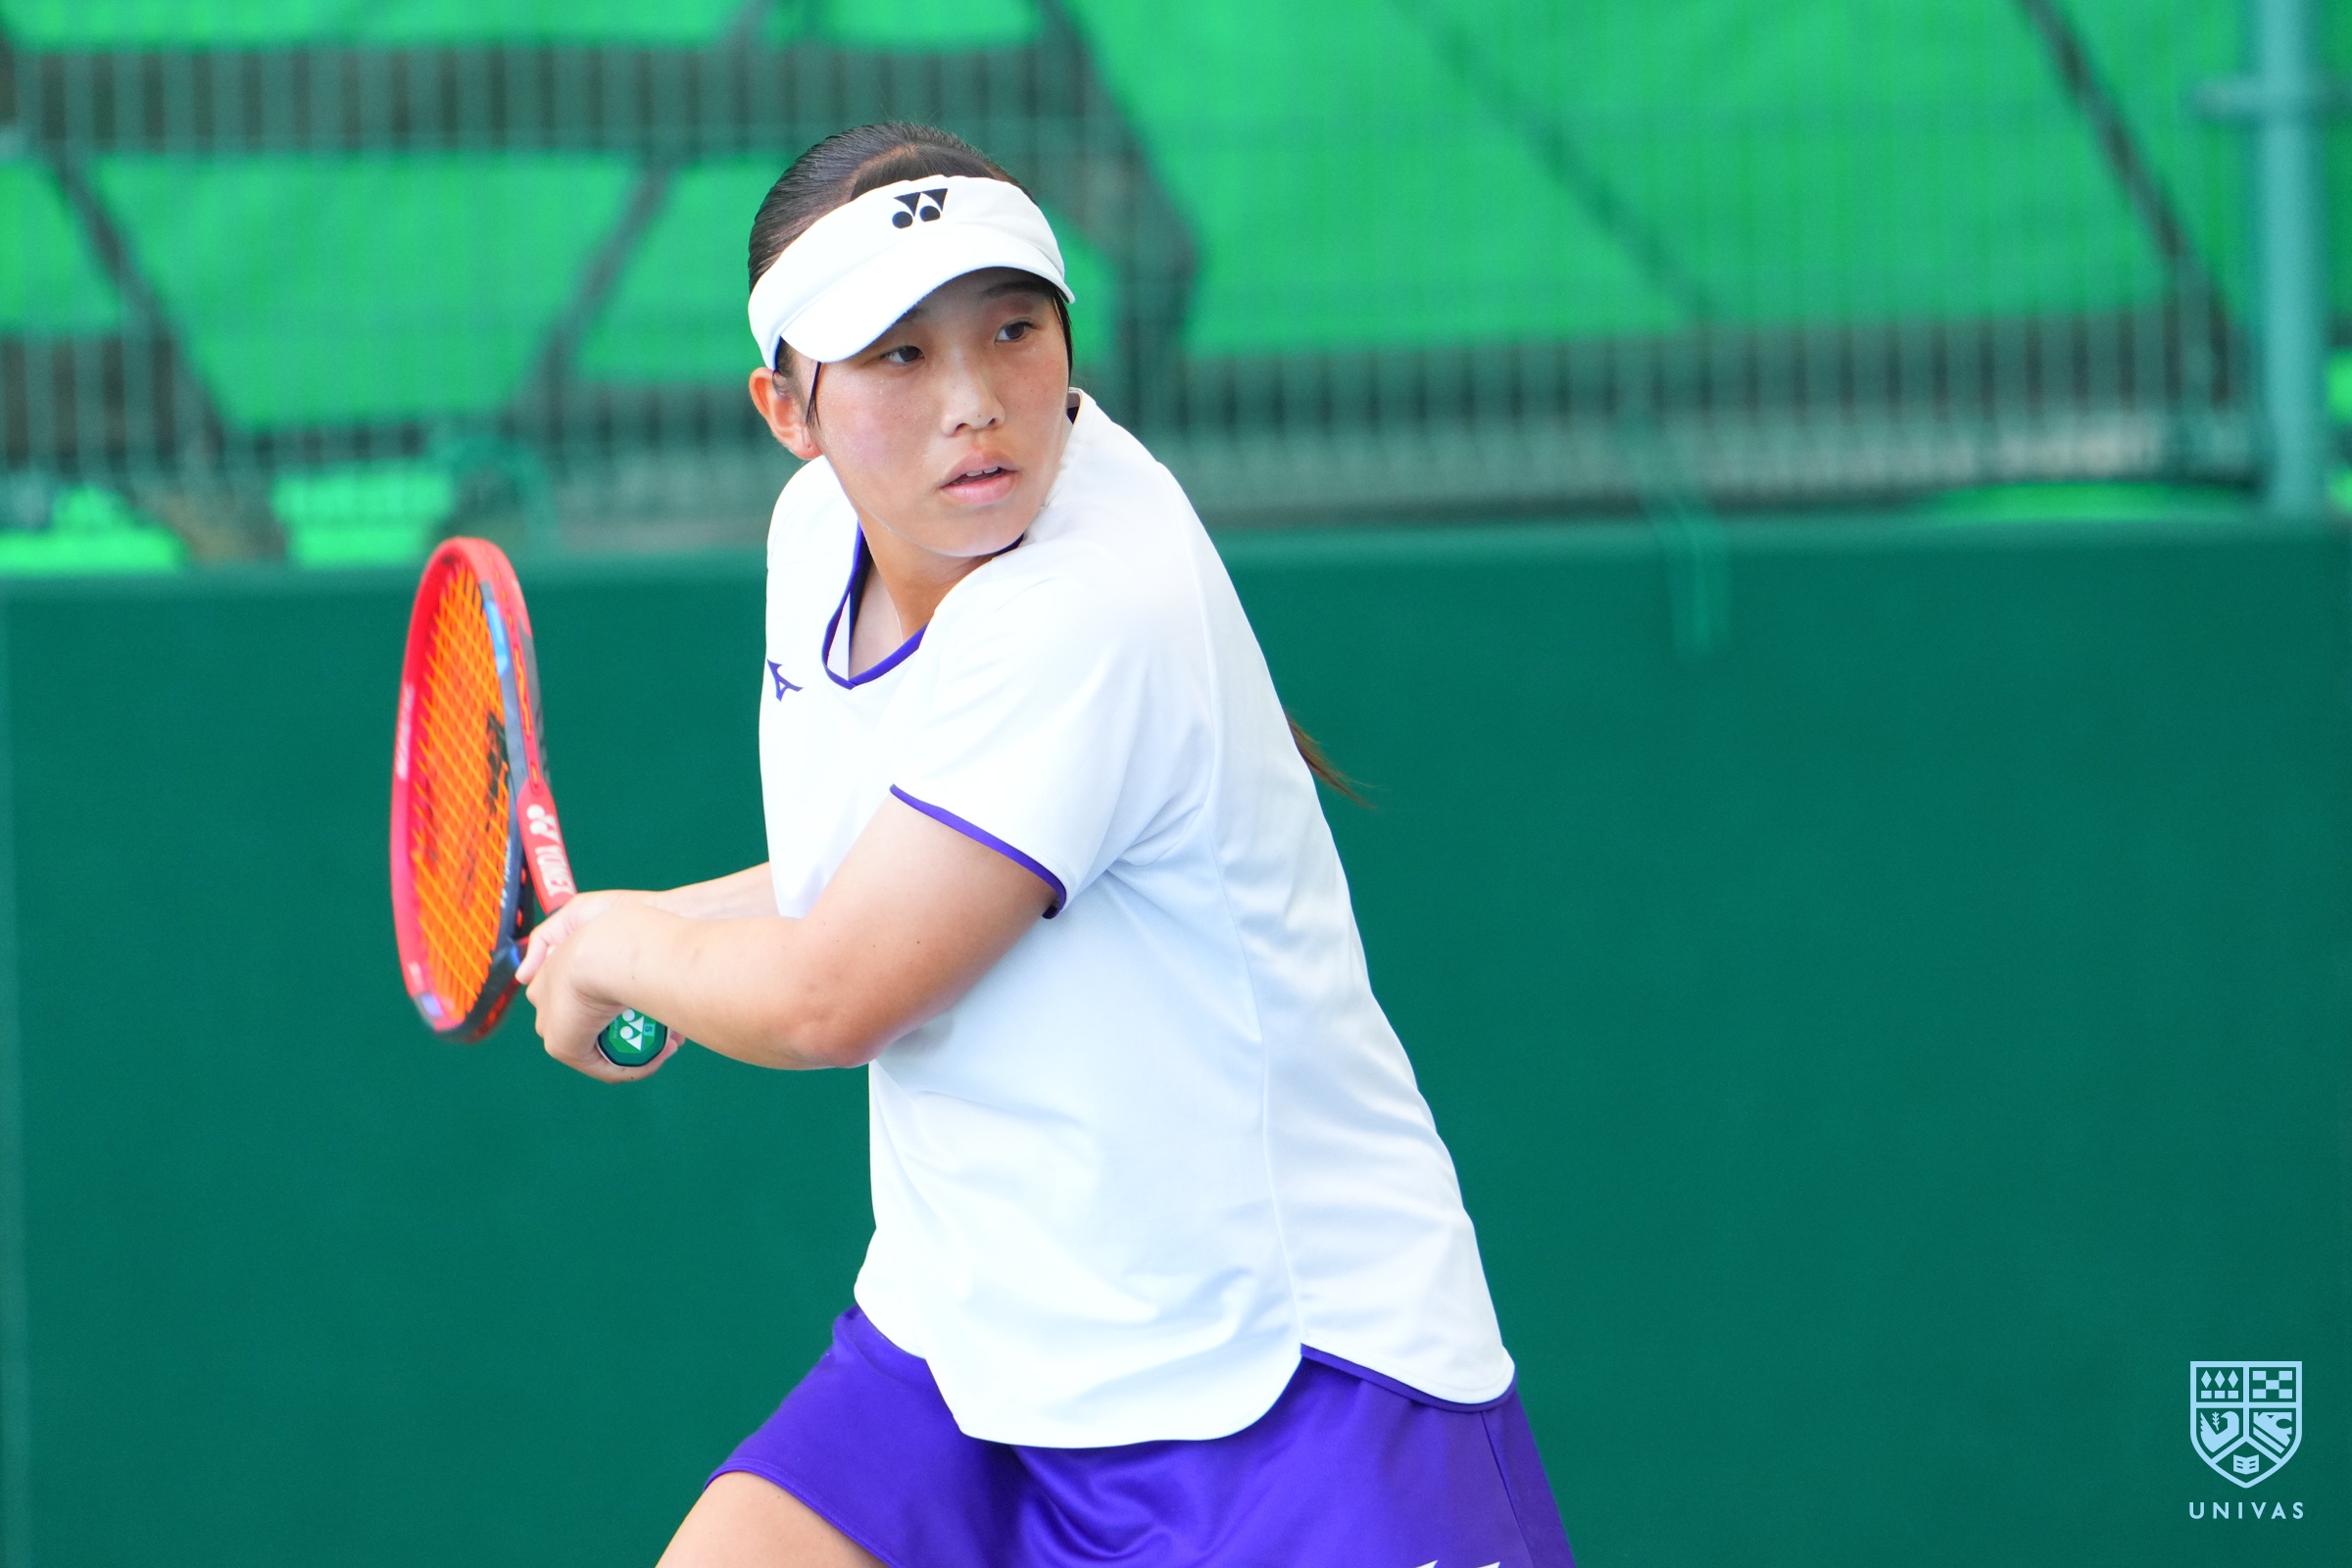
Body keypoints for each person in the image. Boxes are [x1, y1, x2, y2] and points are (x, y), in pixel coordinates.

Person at [517, 122, 1574, 1568]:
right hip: (965, 1347)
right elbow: (872, 881)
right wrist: (637, 936)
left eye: (1013, 332)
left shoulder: (1090, 604)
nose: (974, 404)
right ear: (787, 408)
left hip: (1288, 1396)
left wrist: (622, 947)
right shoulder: (818, 535)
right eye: (898, 355)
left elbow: (836, 995)